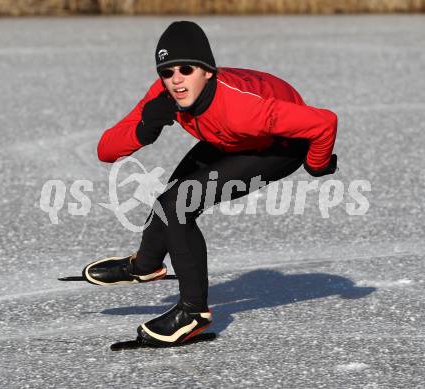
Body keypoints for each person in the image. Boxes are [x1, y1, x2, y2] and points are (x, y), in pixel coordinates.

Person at [83, 21, 338, 346]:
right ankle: (145, 265)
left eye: (186, 69)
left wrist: (317, 165)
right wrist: (144, 128)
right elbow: (106, 149)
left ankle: (193, 313)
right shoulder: (165, 94)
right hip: (230, 137)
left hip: (279, 144)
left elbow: (323, 122)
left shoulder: (246, 109)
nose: (176, 80)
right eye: (167, 71)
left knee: (179, 205)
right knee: (169, 202)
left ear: (207, 71)